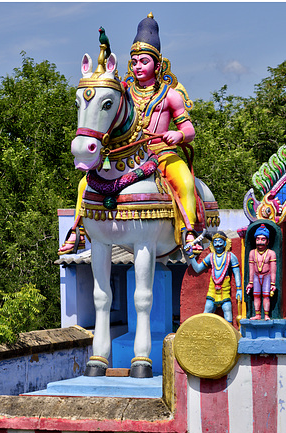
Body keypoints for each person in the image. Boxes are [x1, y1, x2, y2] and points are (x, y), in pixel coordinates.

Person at [59, 13, 197, 254]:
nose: (138, 67)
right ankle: (78, 230)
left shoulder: (170, 95)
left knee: (184, 181)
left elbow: (189, 130)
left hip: (162, 153)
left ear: (157, 63)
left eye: (144, 61)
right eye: (134, 62)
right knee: (84, 183)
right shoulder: (124, 92)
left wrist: (178, 136)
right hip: (129, 155)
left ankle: (190, 233)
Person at [185, 231, 242, 323]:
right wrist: (191, 256)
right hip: (213, 288)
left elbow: (237, 273)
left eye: (220, 242)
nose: (218, 244)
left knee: (227, 311)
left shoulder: (230, 256)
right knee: (207, 310)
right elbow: (198, 269)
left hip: (225, 288)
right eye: (215, 242)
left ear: (225, 243)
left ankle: (229, 333)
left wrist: (239, 289)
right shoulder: (210, 256)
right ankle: (203, 331)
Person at [246, 224, 277, 320]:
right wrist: (250, 283)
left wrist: (273, 283)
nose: (260, 242)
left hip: (266, 276)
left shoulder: (271, 253)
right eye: (258, 239)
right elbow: (251, 268)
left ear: (267, 241)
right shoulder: (252, 253)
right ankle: (258, 314)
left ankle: (266, 315)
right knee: (256, 295)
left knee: (266, 295)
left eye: (263, 240)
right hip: (255, 276)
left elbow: (273, 269)